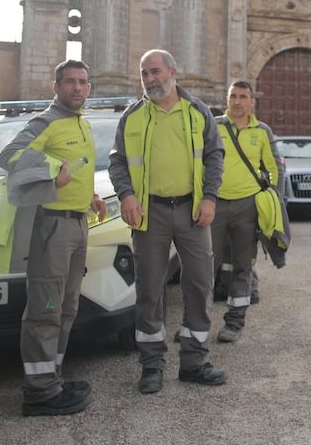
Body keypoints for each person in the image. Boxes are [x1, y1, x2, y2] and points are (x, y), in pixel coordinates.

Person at [109, 49, 227, 392]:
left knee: (200, 285)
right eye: (144, 74)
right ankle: (151, 366)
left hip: (193, 212)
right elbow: (117, 162)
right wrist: (125, 195)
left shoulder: (197, 112)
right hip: (150, 214)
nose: (150, 79)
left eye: (155, 72)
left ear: (174, 71)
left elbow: (214, 156)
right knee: (149, 289)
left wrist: (210, 197)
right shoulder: (131, 116)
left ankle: (194, 362)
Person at [0, 59, 108, 417]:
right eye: (71, 82)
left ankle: (53, 380)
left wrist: (89, 196)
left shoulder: (80, 122)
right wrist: (49, 169)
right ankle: (39, 393)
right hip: (51, 228)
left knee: (66, 308)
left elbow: (74, 168)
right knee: (45, 310)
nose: (78, 88)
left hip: (77, 224)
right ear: (56, 86)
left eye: (83, 82)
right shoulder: (46, 121)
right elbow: (9, 155)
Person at [211, 80, 279, 343]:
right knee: (204, 267)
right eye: (233, 96)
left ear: (252, 101)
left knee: (243, 266)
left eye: (243, 96)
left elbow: (273, 169)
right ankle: (196, 322)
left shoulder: (262, 131)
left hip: (247, 208)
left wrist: (271, 201)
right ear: (227, 99)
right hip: (214, 204)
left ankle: (235, 322)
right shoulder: (213, 126)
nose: (237, 101)